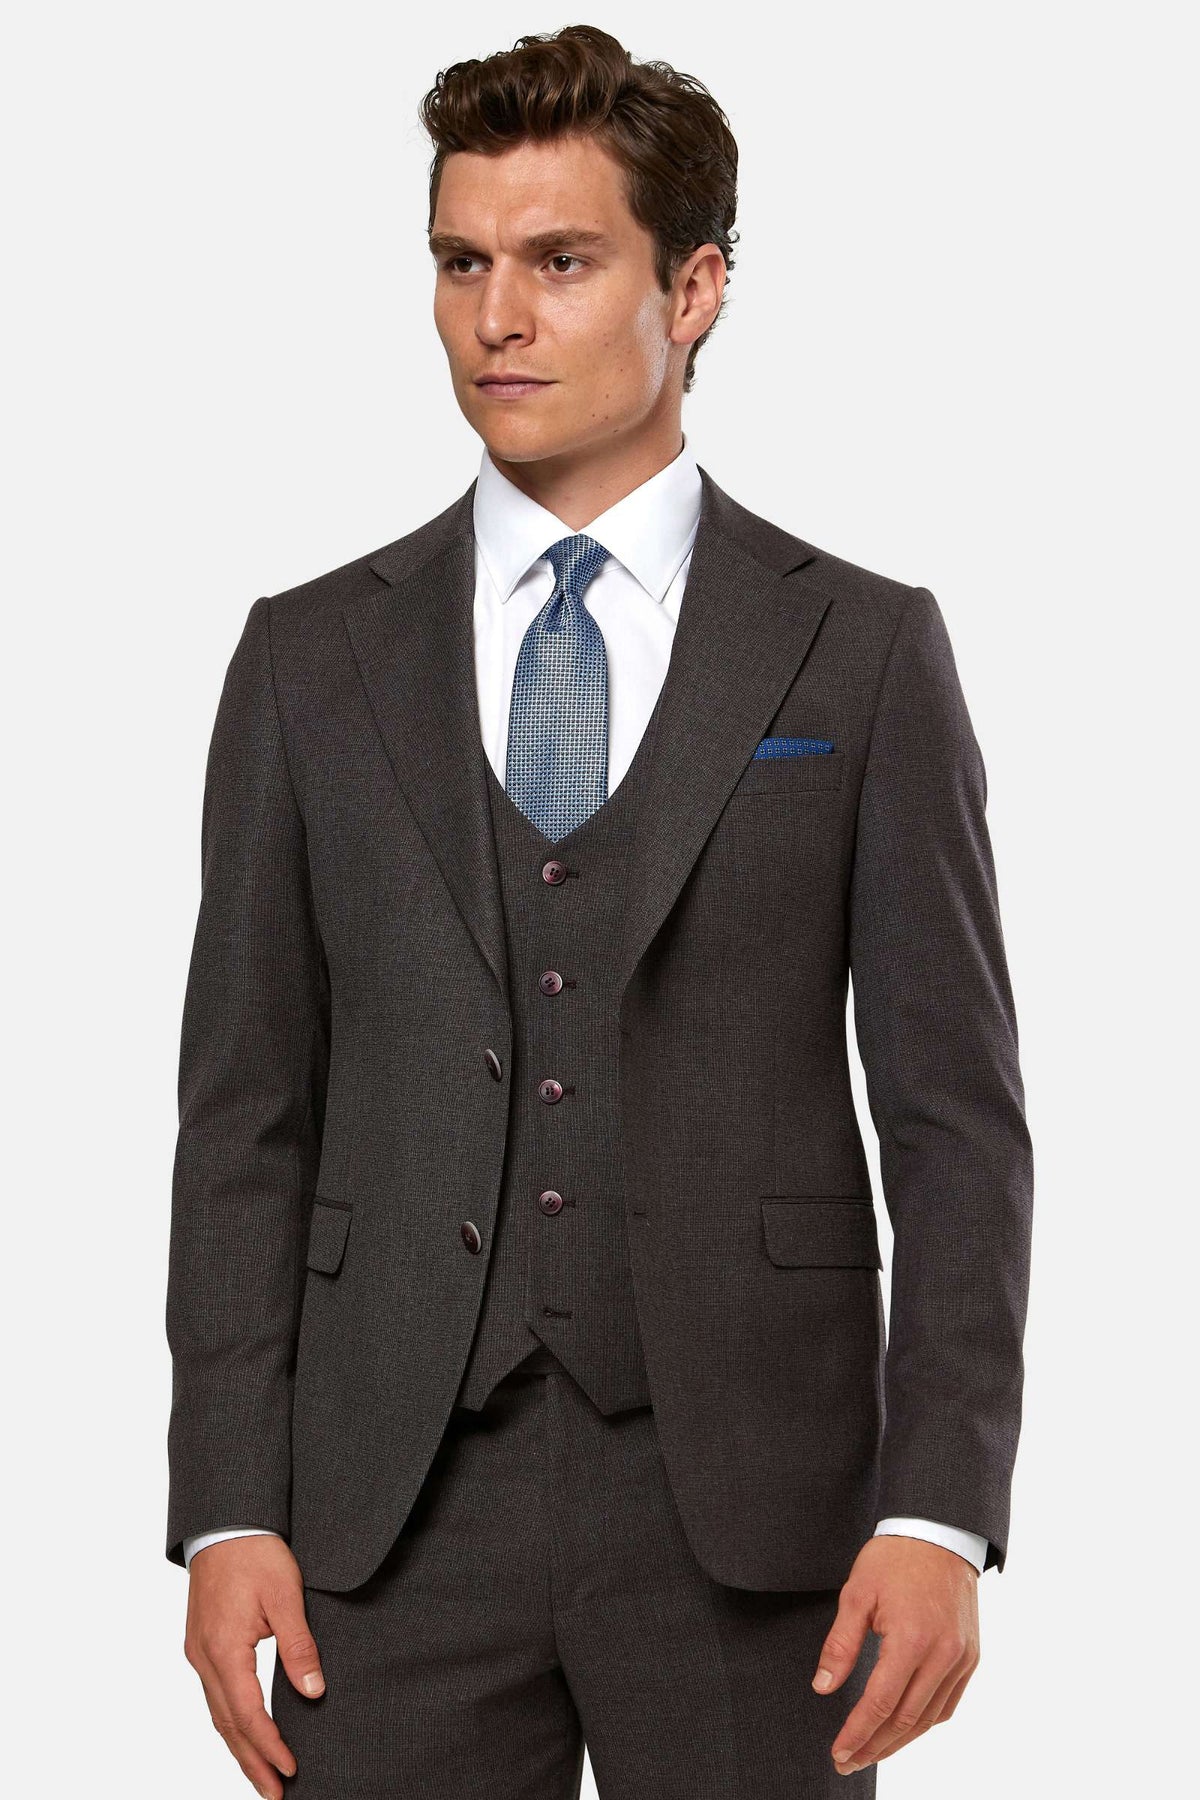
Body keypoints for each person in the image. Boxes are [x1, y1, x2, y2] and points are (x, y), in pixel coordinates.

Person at [166, 24, 1034, 1797]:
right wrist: (226, 1505)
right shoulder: (307, 659)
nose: (497, 316)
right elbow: (245, 1114)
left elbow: (956, 1122)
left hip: (758, 1510)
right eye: (460, 262)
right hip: (385, 1514)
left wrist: (941, 1508)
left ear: (694, 288)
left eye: (561, 262)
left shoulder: (861, 651)